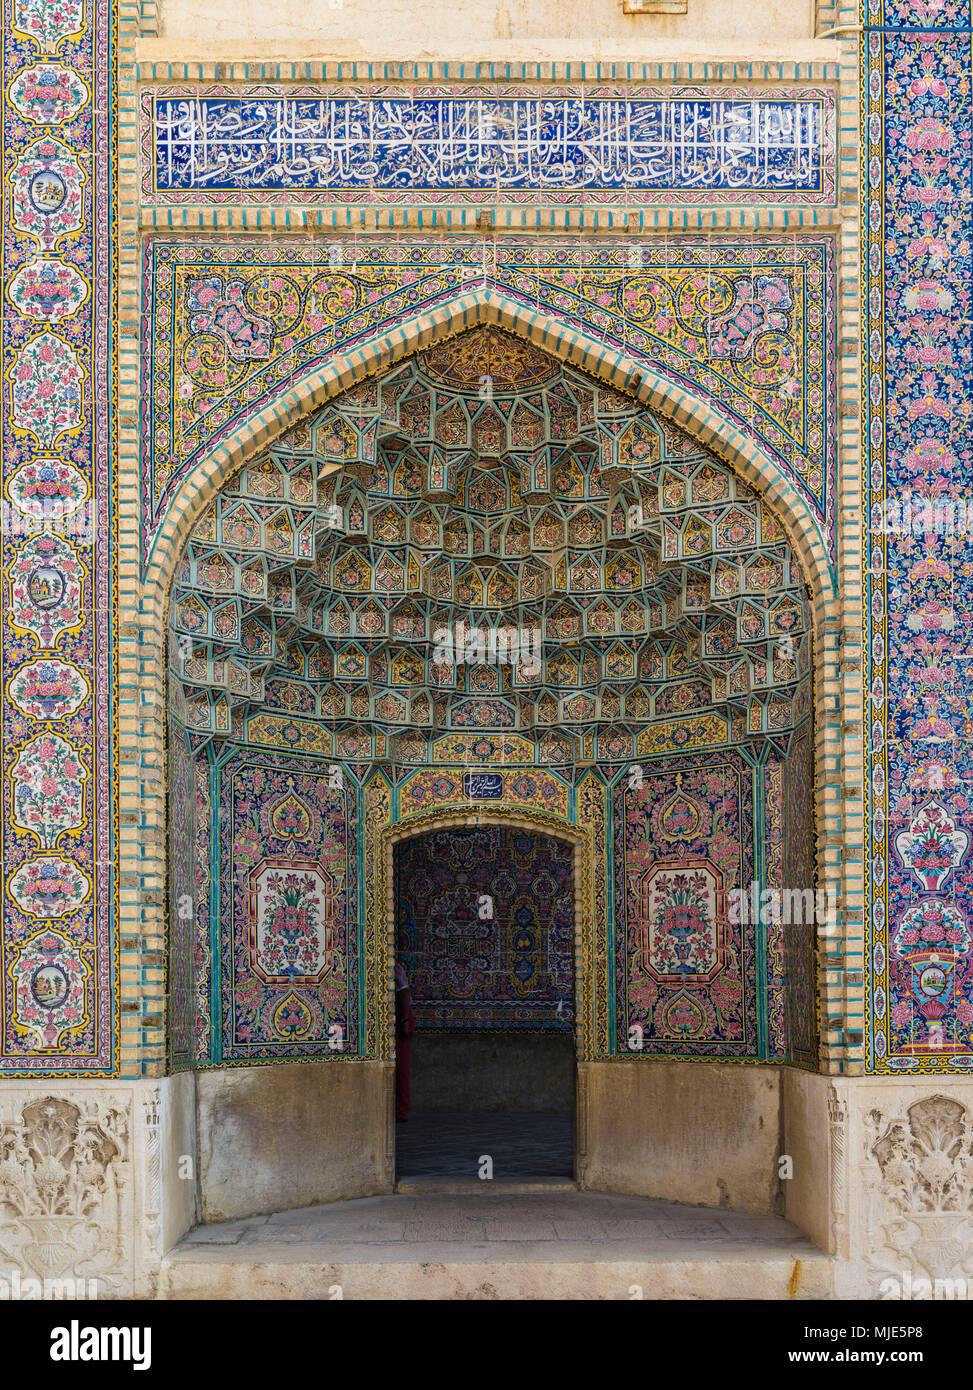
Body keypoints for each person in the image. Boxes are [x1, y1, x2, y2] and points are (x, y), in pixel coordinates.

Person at [394, 960, 415, 1122]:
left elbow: (404, 992)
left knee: (401, 1067)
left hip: (402, 1019)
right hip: (401, 1019)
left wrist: (404, 1020)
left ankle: (402, 1111)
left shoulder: (394, 967)